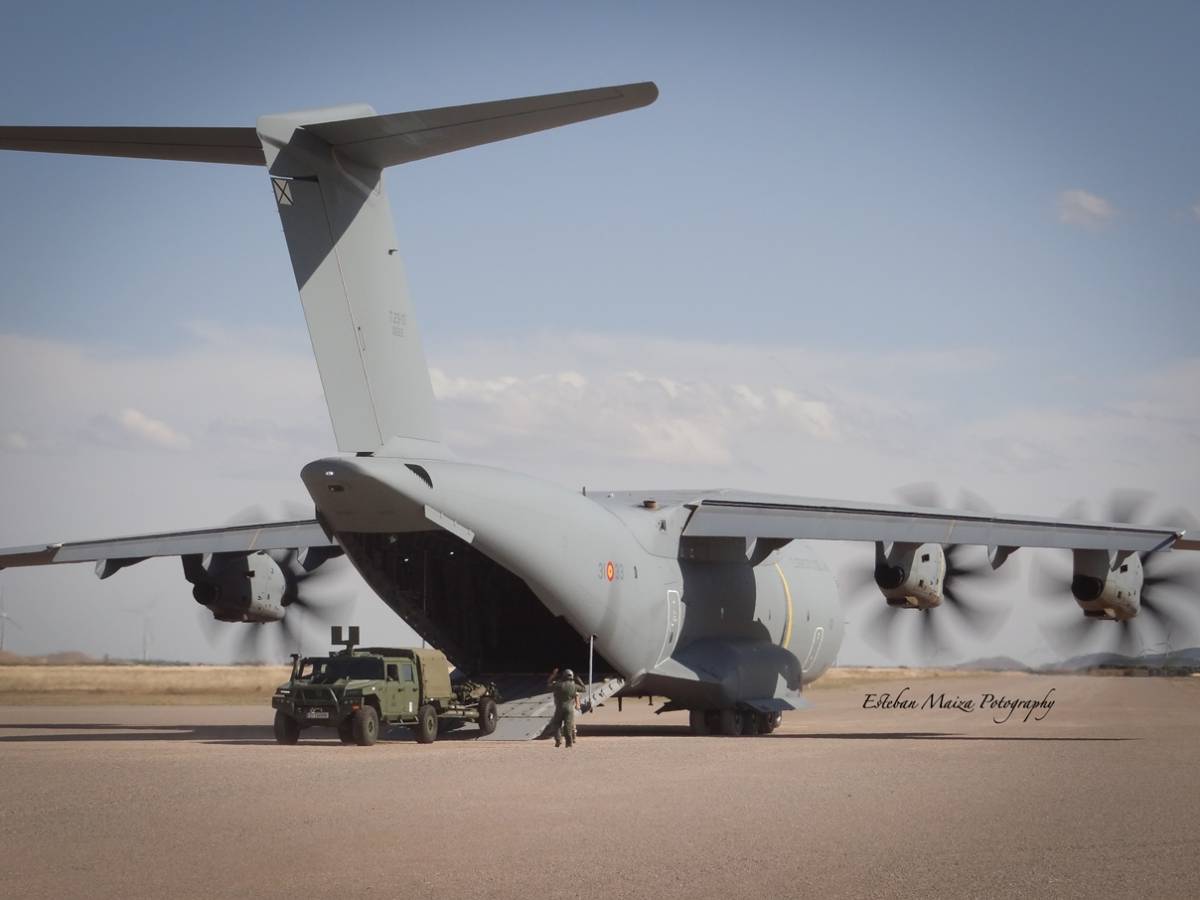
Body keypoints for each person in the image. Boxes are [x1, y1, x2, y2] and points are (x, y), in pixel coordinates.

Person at [547, 667, 583, 748]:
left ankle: (558, 739)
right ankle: (569, 742)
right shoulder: (573, 685)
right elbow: (580, 691)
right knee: (569, 725)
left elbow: (548, 685)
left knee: (556, 724)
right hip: (569, 707)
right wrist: (579, 679)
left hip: (559, 707)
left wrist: (553, 675)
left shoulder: (557, 684)